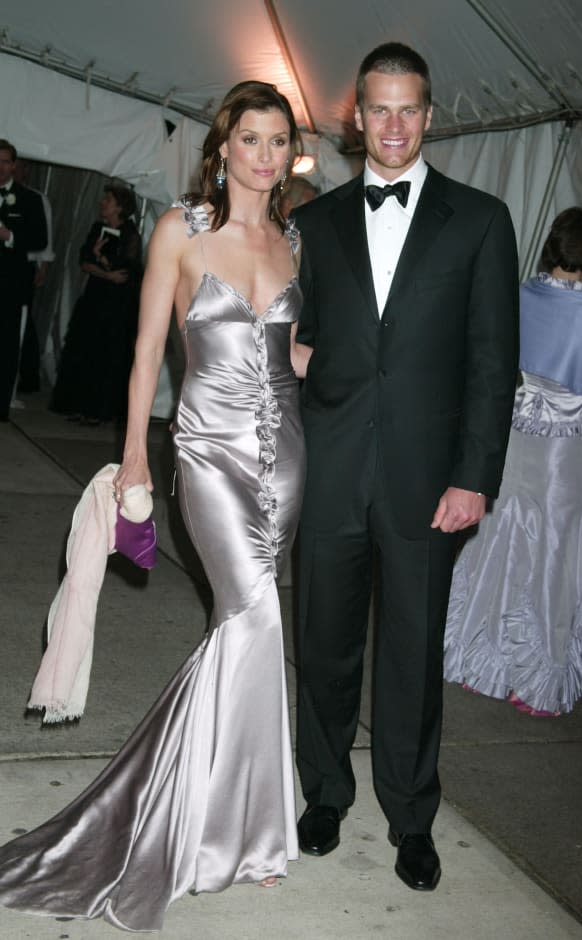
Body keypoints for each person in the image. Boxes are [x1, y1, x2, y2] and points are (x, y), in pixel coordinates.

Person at [0, 80, 310, 932]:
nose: (265, 154)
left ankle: (242, 822)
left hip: (285, 458)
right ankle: (223, 830)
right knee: (253, 620)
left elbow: (293, 359)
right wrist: (134, 450)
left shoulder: (292, 240)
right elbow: (145, 353)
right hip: (206, 452)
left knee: (248, 627)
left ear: (290, 154)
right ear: (223, 147)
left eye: (279, 141)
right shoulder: (181, 229)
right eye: (251, 138)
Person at [292, 42, 519, 892]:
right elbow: (294, 335)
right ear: (356, 116)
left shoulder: (482, 220)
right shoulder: (313, 224)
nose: (392, 125)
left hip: (431, 481)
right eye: (377, 109)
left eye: (408, 109)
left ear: (431, 115)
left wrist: (476, 477)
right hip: (329, 467)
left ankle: (412, 813)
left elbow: (494, 363)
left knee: (414, 652)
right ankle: (323, 791)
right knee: (322, 642)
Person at [444, 207, 582, 716]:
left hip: (516, 429)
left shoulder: (518, 294)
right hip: (563, 443)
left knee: (501, 536)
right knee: (557, 547)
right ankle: (540, 681)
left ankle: (479, 657)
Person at [50, 184, 142, 425]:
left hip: (117, 304)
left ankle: (99, 409)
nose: (103, 203)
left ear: (120, 206)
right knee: (84, 348)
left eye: (108, 200)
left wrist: (100, 259)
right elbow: (84, 263)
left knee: (107, 353)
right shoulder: (97, 229)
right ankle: (79, 404)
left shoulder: (131, 234)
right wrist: (103, 268)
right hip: (95, 296)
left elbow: (123, 271)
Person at [0, 139, 47, 421]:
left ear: (14, 165)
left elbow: (40, 239)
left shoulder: (29, 199)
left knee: (6, 346)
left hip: (10, 285)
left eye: (6, 162)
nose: (1, 167)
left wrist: (11, 237)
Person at [12, 158, 56, 396]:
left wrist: (44, 267)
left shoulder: (36, 198)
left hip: (25, 264)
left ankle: (29, 375)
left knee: (23, 319)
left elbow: (45, 236)